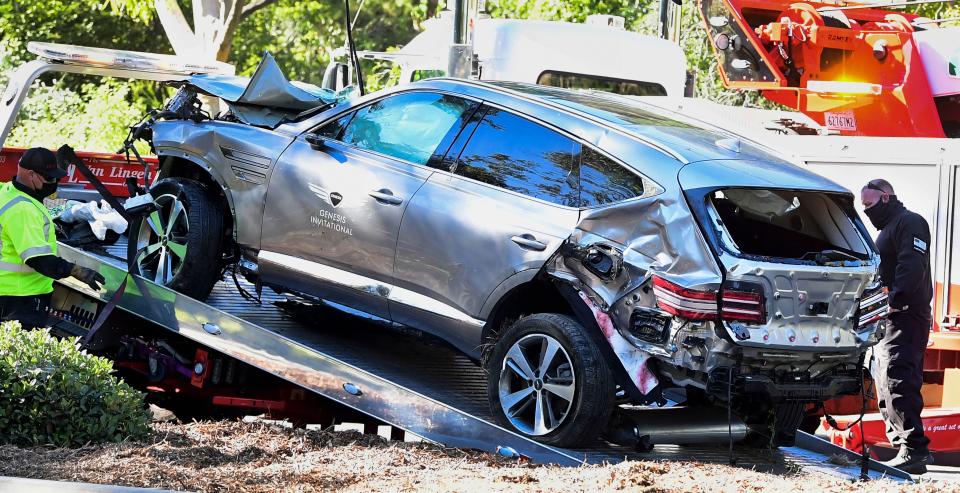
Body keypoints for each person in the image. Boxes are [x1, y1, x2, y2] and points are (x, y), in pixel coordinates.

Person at [861, 179, 933, 474]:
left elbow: (911, 265)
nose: (866, 211)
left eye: (869, 204)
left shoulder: (910, 222)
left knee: (899, 377)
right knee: (884, 378)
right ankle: (903, 447)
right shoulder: (885, 230)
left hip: (905, 314)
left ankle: (914, 449)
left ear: (886, 197)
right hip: (888, 317)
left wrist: (896, 299)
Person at [0, 147, 105, 329]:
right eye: (49, 178)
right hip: (19, 297)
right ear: (31, 175)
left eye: (57, 177)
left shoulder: (7, 191)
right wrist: (76, 271)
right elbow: (38, 259)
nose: (54, 182)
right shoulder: (24, 210)